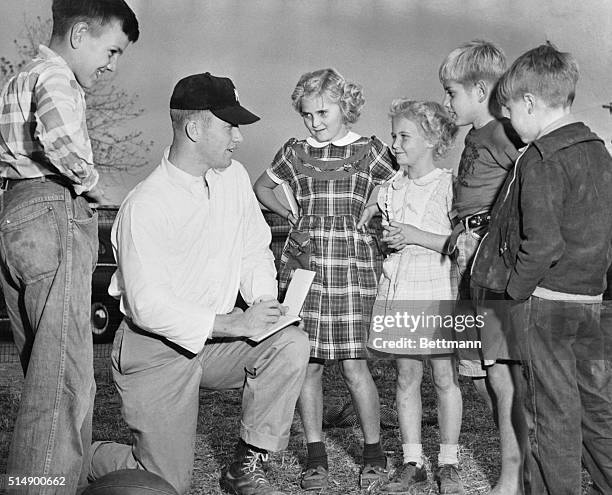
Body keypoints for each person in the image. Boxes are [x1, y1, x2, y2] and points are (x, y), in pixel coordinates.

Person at [86, 73, 310, 495]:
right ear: (194, 129)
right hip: (155, 349)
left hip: (216, 343)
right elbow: (149, 306)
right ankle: (75, 457)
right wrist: (236, 324)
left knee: (290, 344)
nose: (239, 138)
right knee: (161, 486)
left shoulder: (234, 178)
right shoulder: (146, 205)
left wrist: (264, 305)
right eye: (229, 126)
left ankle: (246, 465)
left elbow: (253, 247)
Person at [0, 1, 139, 492]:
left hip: (16, 214)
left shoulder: (18, 78)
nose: (111, 65)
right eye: (111, 50)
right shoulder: (56, 77)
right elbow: (61, 142)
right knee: (63, 377)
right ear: (79, 33)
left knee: (44, 369)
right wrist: (93, 180)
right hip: (52, 210)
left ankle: (66, 479)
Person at [471, 43, 612, 495]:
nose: (508, 121)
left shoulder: (540, 159)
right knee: (594, 411)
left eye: (509, 109)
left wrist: (512, 295)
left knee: (550, 417)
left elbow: (542, 245)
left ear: (529, 103)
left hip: (546, 306)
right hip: (589, 303)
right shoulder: (598, 151)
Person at [253, 68, 397, 491]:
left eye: (323, 111)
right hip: (306, 266)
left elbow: (396, 183)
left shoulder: (370, 151)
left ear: (344, 107)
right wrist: (289, 213)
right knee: (308, 366)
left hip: (353, 266)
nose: (315, 122)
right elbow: (264, 186)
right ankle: (316, 457)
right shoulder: (294, 152)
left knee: (354, 366)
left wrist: (372, 208)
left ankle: (374, 454)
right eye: (307, 114)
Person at [362, 99, 464, 495]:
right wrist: (388, 241)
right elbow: (386, 233)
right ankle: (412, 461)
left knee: (444, 377)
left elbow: (458, 245)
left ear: (432, 139)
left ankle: (450, 463)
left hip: (437, 291)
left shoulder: (448, 185)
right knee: (406, 377)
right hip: (400, 291)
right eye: (393, 136)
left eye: (404, 136)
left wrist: (412, 235)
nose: (395, 144)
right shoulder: (388, 188)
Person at [438, 40, 525, 495]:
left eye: (451, 93)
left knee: (499, 371)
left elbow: (527, 184)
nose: (448, 103)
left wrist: (494, 232)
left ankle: (514, 475)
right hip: (466, 257)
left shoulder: (502, 132)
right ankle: (517, 458)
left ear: (478, 89)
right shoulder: (474, 135)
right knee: (474, 370)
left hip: (490, 258)